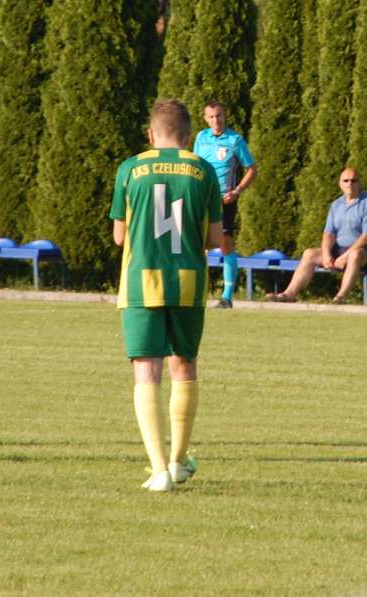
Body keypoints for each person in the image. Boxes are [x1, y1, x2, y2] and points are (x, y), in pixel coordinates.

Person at [110, 98, 222, 492]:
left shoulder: (130, 169)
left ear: (150, 134)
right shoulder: (202, 170)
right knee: (184, 367)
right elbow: (213, 239)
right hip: (189, 282)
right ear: (189, 136)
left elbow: (120, 236)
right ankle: (177, 461)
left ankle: (158, 469)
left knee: (146, 371)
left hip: (142, 281)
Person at [269, 168, 367, 303]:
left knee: (355, 255)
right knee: (309, 254)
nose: (350, 184)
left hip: (366, 252)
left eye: (354, 180)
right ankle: (289, 294)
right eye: (345, 180)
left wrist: (345, 256)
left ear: (360, 183)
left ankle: (340, 297)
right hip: (339, 251)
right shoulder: (336, 205)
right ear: (340, 184)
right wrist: (326, 254)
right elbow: (328, 233)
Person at [193, 101, 256, 308]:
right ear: (205, 119)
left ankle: (227, 296)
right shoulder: (201, 138)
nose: (215, 120)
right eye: (211, 117)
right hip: (203, 198)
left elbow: (251, 169)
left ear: (225, 115)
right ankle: (196, 291)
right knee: (198, 243)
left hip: (224, 200)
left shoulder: (235, 140)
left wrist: (236, 191)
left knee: (225, 243)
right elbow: (195, 166)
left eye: (218, 115)